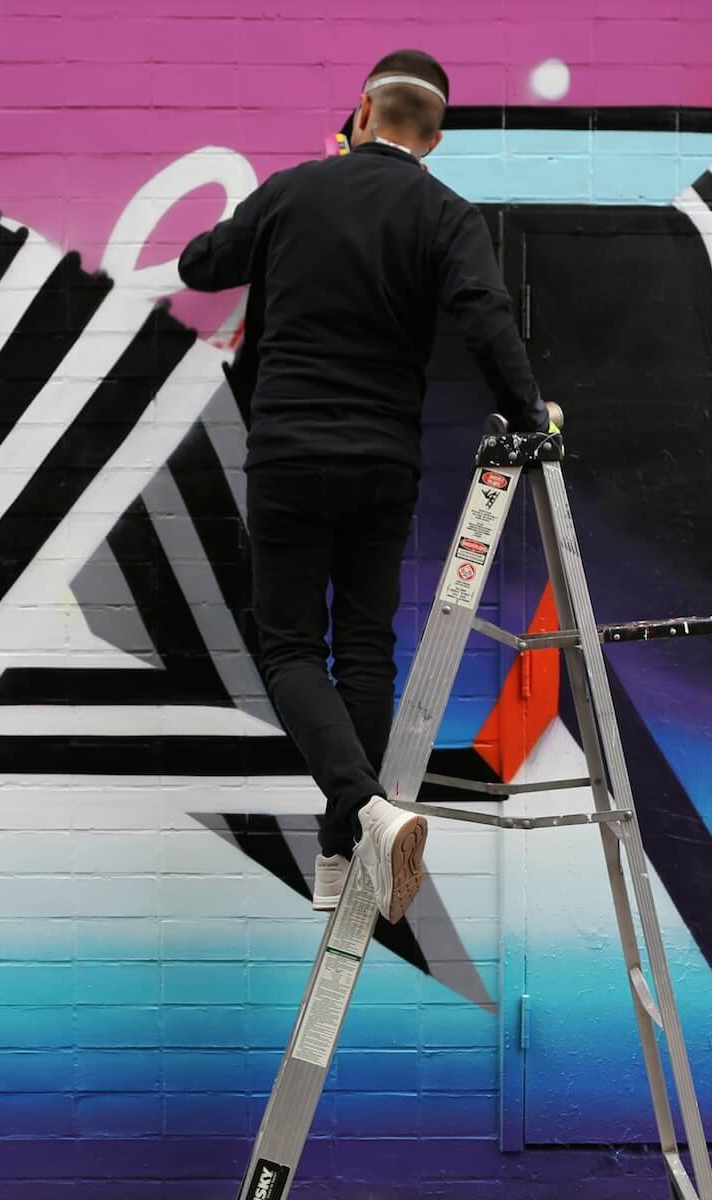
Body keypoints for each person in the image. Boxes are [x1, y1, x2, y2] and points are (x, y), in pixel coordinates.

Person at [177, 49, 559, 923]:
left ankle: (363, 809)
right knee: (363, 648)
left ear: (360, 111)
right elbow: (486, 318)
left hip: (288, 455)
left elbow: (203, 264)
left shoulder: (295, 191)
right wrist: (529, 413)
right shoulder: (444, 212)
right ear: (436, 135)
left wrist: (308, 188)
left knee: (287, 649)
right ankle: (345, 849)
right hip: (384, 462)